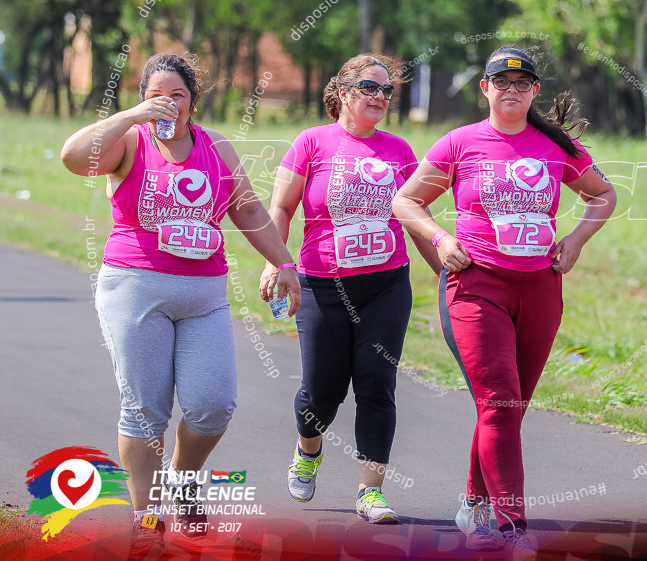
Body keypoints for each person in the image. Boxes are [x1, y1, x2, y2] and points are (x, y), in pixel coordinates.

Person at [60, 53, 301, 556]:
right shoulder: (129, 141)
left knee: (213, 404)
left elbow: (248, 207)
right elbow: (73, 157)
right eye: (156, 94)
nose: (167, 103)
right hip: (134, 286)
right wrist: (131, 115)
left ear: (192, 102)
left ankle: (183, 480)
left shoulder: (215, 147)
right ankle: (146, 517)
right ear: (143, 97)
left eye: (177, 95)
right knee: (145, 409)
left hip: (205, 294)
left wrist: (284, 264)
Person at [392, 46, 616, 557]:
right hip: (477, 286)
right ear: (485, 88)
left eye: (523, 82)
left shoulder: (555, 145)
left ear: (535, 90)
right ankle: (511, 523)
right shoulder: (460, 142)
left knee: (510, 408)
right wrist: (439, 239)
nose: (511, 88)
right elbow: (406, 199)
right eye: (501, 80)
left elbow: (603, 195)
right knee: (498, 402)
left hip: (539, 286)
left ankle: (473, 502)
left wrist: (576, 240)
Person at [259, 54, 441, 525]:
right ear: (342, 92)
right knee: (321, 392)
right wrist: (277, 263)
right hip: (322, 286)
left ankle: (370, 491)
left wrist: (448, 274)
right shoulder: (311, 143)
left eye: (386, 91)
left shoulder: (400, 151)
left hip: (386, 286)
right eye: (369, 87)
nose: (380, 97)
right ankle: (308, 449)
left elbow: (416, 221)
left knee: (377, 386)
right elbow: (280, 209)